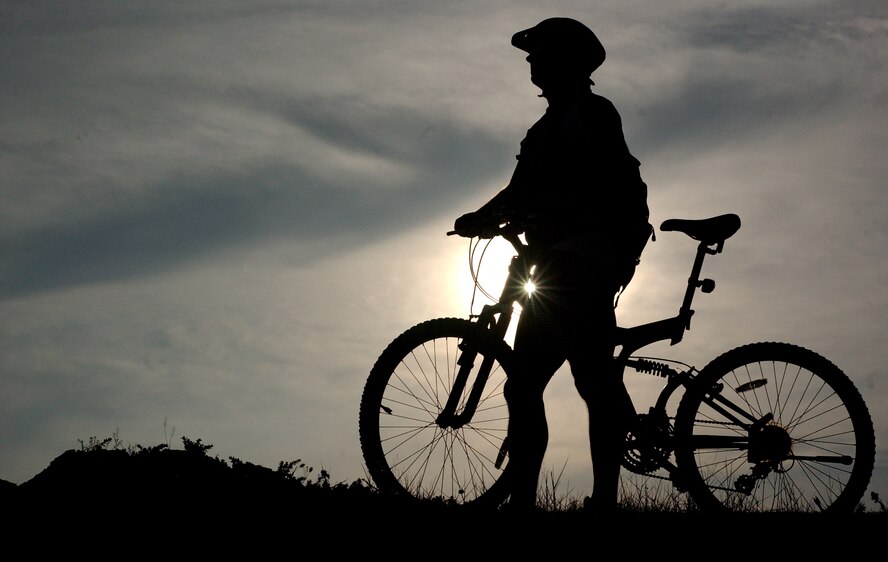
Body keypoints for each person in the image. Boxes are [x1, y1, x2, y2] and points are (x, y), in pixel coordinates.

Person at [452, 17, 652, 514]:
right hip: (554, 259)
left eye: (538, 51)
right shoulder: (542, 129)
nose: (530, 60)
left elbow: (598, 181)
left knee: (573, 380)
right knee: (546, 383)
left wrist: (549, 210)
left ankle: (592, 500)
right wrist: (483, 215)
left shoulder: (593, 113)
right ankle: (532, 500)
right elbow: (520, 189)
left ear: (565, 59)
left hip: (584, 257)